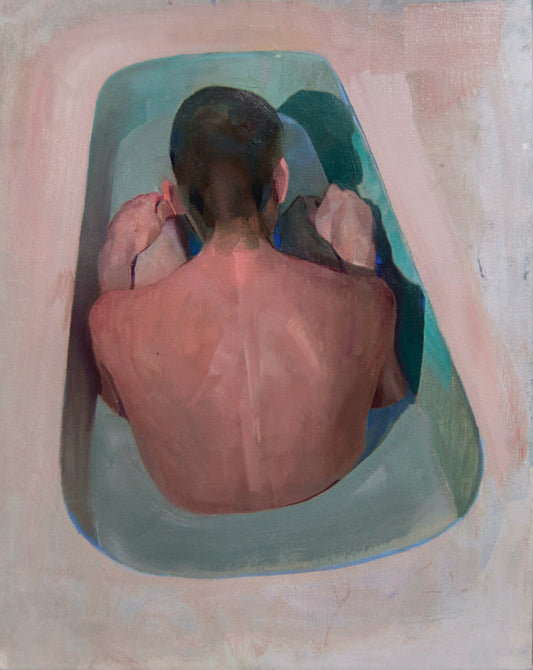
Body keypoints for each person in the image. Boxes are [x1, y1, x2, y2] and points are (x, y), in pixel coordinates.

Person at [89, 86, 405, 514]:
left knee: (161, 246)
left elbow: (119, 407)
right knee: (307, 220)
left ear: (174, 196)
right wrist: (360, 264)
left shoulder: (112, 321)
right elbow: (386, 395)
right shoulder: (369, 302)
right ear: (280, 180)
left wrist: (115, 262)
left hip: (189, 497)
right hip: (329, 479)